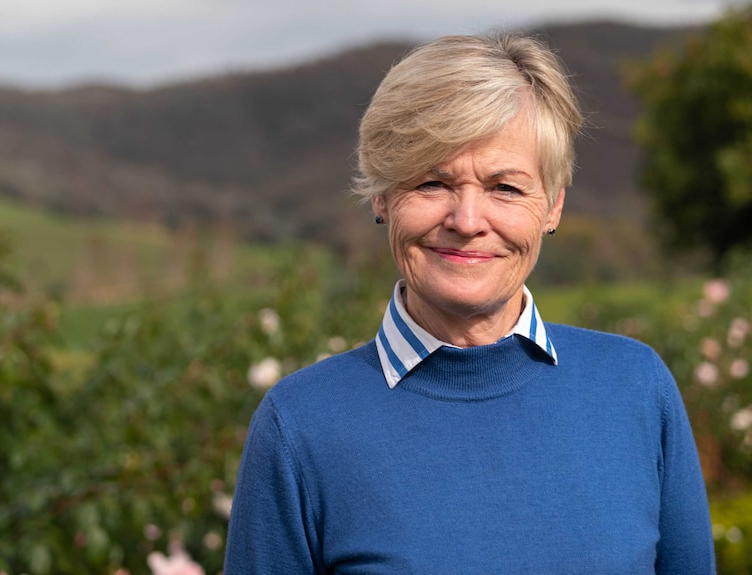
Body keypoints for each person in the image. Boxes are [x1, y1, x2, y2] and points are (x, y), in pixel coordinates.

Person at [224, 34, 715, 574]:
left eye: (505, 188)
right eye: (432, 182)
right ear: (381, 197)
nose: (467, 220)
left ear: (553, 205)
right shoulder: (300, 426)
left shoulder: (635, 389)